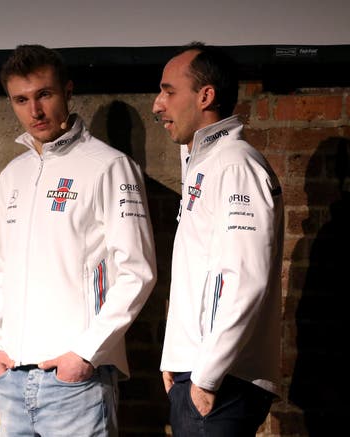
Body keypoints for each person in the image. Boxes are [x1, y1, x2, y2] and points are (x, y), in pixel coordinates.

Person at [0, 44, 157, 436]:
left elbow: (137, 272)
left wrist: (85, 354)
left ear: (68, 91)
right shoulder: (13, 174)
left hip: (76, 382)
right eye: (21, 100)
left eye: (44, 95)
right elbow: (1, 271)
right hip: (13, 380)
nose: (34, 111)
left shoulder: (109, 165)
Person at [153, 43, 284, 436]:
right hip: (199, 373)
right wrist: (174, 356)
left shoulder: (235, 164)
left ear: (205, 95)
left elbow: (244, 277)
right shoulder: (207, 164)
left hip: (219, 382)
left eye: (168, 91)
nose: (158, 105)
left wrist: (206, 378)